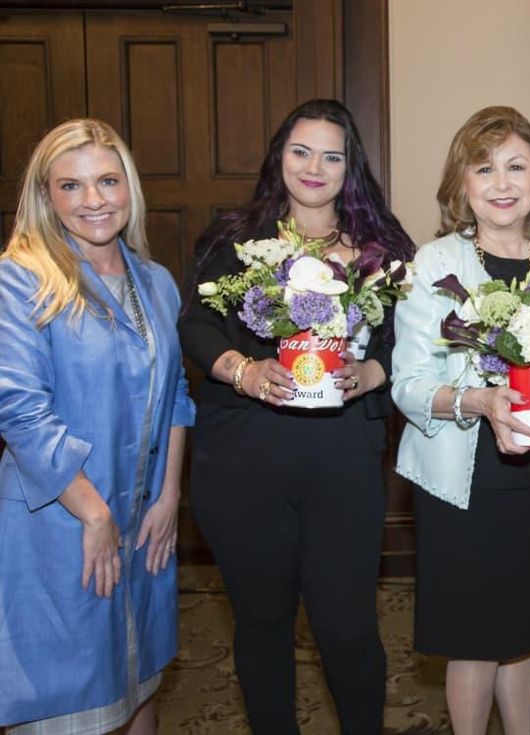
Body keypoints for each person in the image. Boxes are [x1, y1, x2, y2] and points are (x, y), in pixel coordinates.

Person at [178, 99, 414, 734]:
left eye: (331, 156)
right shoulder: (233, 239)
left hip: (342, 463)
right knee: (262, 623)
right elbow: (195, 326)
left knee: (348, 628)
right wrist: (244, 371)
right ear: (279, 156)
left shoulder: (384, 251)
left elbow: (408, 344)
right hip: (243, 461)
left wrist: (371, 373)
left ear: (350, 166)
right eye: (301, 151)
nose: (314, 167)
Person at [391, 106, 530, 735]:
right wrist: (480, 401)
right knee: (474, 638)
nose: (502, 183)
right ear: (463, 182)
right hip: (463, 479)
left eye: (516, 166)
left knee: (523, 631)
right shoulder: (434, 263)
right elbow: (408, 386)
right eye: (484, 168)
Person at [0, 119, 195, 733]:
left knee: (138, 685)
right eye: (71, 186)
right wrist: (94, 514)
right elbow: (21, 413)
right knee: (68, 699)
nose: (93, 200)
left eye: (108, 181)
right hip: (61, 520)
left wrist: (170, 495)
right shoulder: (21, 279)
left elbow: (177, 394)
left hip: (144, 519)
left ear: (129, 186)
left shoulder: (155, 281)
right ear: (46, 196)